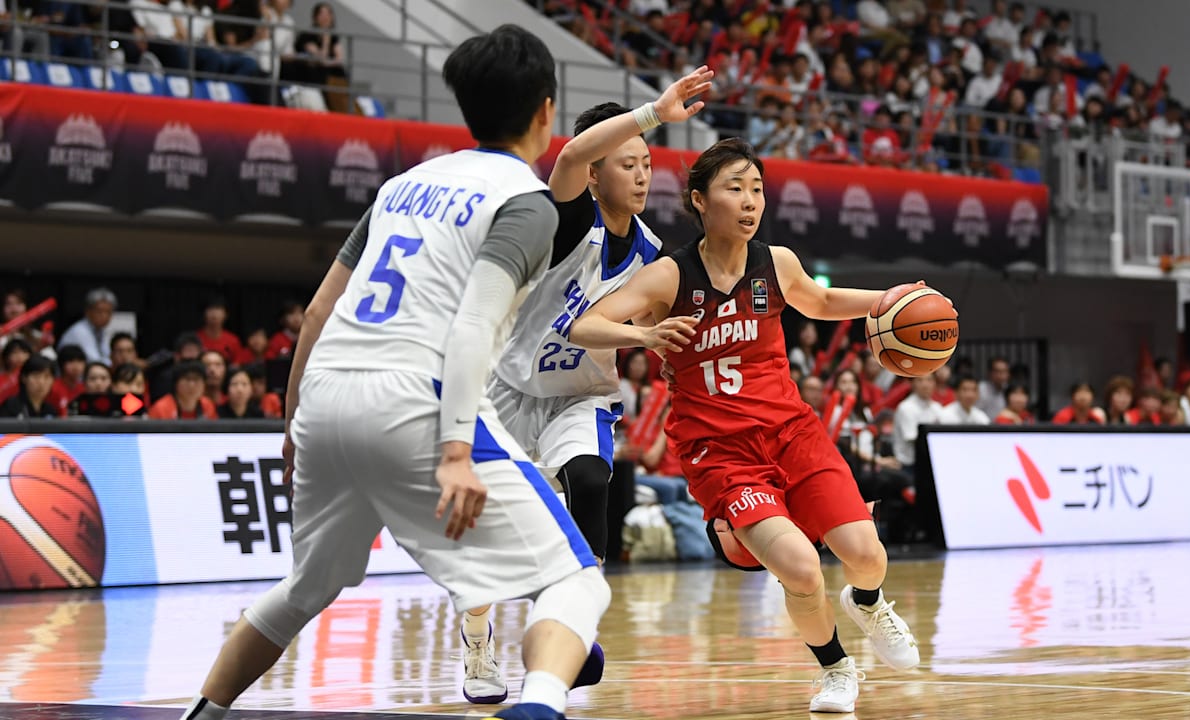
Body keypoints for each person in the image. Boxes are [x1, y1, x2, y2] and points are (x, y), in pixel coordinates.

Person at [178, 26, 610, 720]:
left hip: (326, 398)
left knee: (303, 588)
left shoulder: (402, 186)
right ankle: (540, 702)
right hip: (417, 397)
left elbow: (320, 309)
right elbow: (472, 324)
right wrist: (456, 450)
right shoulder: (524, 201)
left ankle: (202, 713)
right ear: (546, 113)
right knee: (580, 583)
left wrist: (295, 420)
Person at [568, 138, 921, 714]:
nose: (750, 200)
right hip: (720, 450)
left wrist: (891, 298)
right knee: (800, 567)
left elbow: (822, 302)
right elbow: (586, 325)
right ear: (700, 200)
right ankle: (835, 669)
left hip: (791, 432)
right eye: (735, 188)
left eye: (756, 188)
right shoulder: (668, 276)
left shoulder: (776, 262)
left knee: (867, 553)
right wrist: (644, 335)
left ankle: (870, 602)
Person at [460, 67, 713, 704]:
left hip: (580, 396)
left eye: (646, 162)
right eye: (625, 162)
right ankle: (476, 635)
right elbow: (570, 151)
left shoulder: (653, 254)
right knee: (487, 537)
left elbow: (659, 334)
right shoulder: (566, 219)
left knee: (594, 482)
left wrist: (676, 359)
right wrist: (654, 112)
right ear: (596, 173)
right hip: (509, 390)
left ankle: (574, 625)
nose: (641, 172)